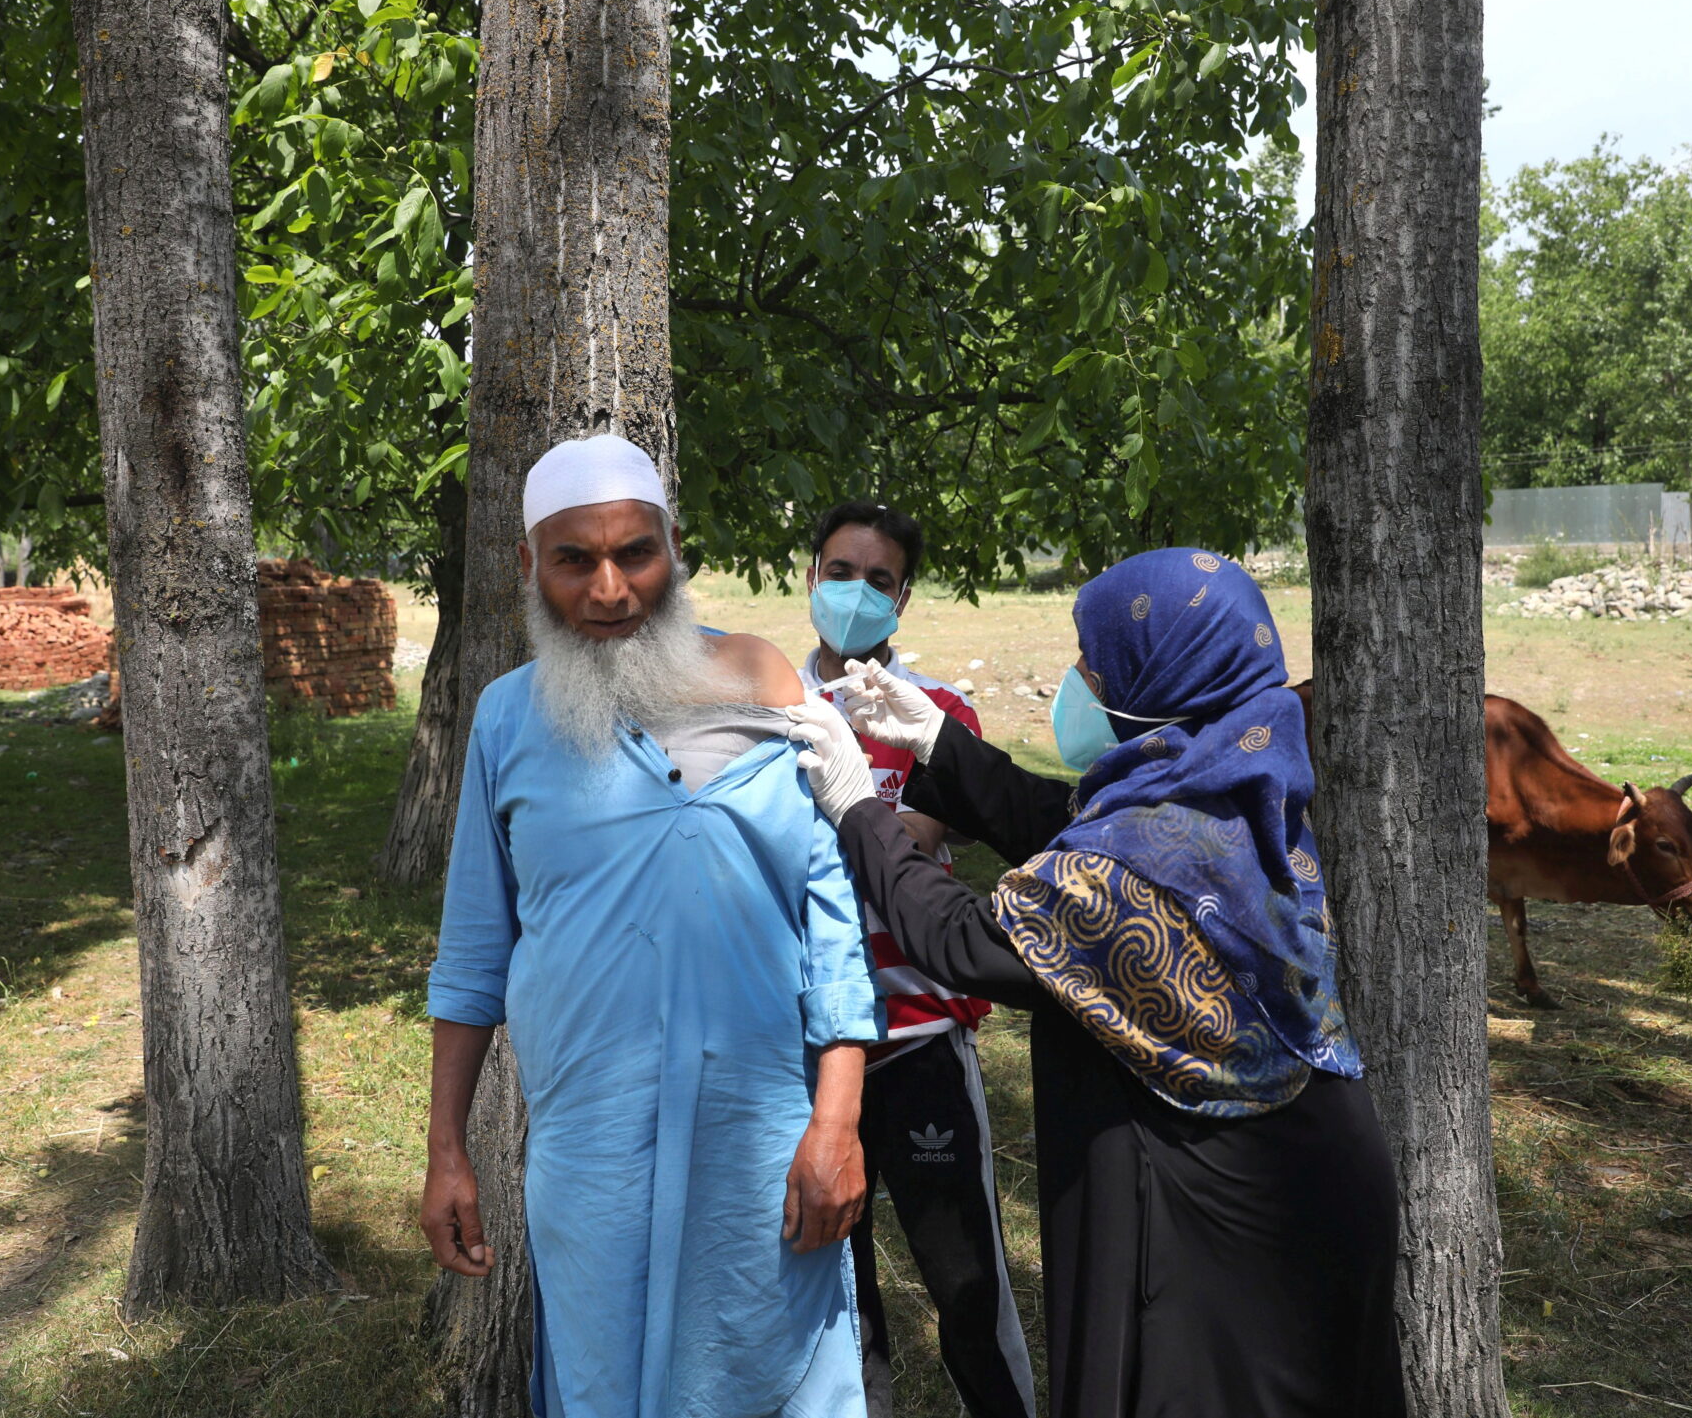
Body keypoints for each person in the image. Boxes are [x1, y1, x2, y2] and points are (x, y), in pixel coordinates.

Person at [788, 548, 1406, 1418]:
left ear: (1166, 672)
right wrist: (939, 743)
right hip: (1310, 1167)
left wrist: (857, 805)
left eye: (1095, 659)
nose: (1078, 675)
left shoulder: (1129, 878)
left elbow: (961, 939)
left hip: (1219, 1211)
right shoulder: (1235, 782)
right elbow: (1067, 820)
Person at [420, 434, 882, 1418]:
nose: (608, 588)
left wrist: (836, 1119)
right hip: (591, 1146)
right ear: (525, 566)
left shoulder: (763, 679)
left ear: (673, 548)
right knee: (606, 1380)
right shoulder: (506, 721)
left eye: (634, 552)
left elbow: (834, 928)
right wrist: (446, 1149)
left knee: (775, 1369)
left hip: (761, 1135)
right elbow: (469, 958)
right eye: (572, 559)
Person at [798, 501, 1034, 1418]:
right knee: (837, 1299)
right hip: (811, 1049)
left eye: (880, 580)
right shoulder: (767, 703)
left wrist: (840, 808)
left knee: (968, 1281)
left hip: (921, 1036)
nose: (856, 591)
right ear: (810, 577)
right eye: (840, 571)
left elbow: (914, 835)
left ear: (904, 600)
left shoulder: (936, 711)